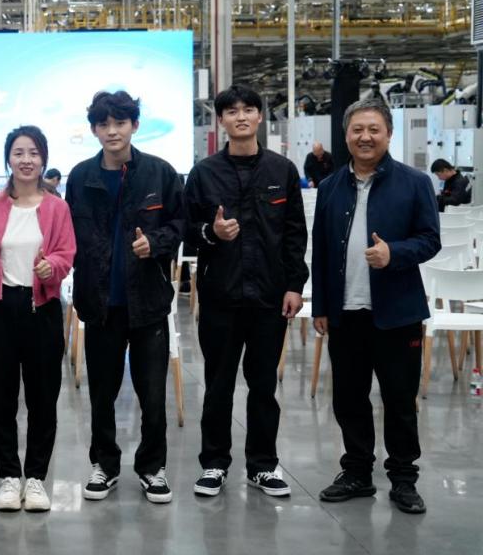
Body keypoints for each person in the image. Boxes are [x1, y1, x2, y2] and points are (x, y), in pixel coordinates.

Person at [313, 98, 439, 515]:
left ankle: (403, 478)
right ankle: (357, 472)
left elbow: (430, 239)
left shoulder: (414, 182)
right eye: (357, 130)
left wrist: (394, 253)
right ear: (346, 135)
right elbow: (322, 250)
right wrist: (321, 305)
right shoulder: (330, 187)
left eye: (374, 129)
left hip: (397, 313)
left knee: (399, 399)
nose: (365, 137)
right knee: (349, 397)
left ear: (388, 134)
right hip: (345, 312)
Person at [184, 84, 308, 498]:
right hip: (220, 297)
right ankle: (214, 464)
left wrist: (295, 285)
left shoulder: (282, 171)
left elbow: (295, 234)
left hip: (269, 298)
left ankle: (263, 466)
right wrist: (212, 232)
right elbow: (187, 230)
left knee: (264, 386)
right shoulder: (204, 174)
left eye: (248, 109)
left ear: (259, 116)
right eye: (232, 111)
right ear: (220, 120)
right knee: (217, 385)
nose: (241, 116)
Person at [66, 90, 186, 504]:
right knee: (102, 392)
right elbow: (69, 235)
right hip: (100, 304)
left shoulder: (160, 173)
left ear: (134, 125)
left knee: (152, 393)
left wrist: (156, 242)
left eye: (120, 122)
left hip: (148, 301)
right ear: (94, 130)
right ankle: (104, 464)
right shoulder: (80, 177)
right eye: (103, 124)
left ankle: (152, 468)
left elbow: (180, 223)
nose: (112, 131)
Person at [0, 126, 76, 512]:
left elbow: (66, 252)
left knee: (43, 399)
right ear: (8, 159)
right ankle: (9, 478)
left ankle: (36, 478)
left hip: (42, 309)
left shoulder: (57, 207)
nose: (26, 160)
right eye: (18, 152)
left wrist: (53, 267)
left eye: (33, 152)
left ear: (43, 159)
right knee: (0, 398)